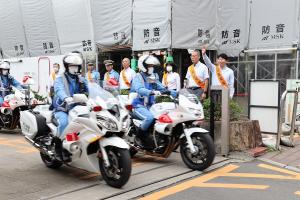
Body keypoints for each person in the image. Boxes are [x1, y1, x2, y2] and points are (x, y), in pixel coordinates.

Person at [131, 55, 177, 149]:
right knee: (149, 117)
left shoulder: (151, 77)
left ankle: (158, 140)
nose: (151, 67)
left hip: (150, 106)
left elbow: (161, 87)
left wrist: (176, 93)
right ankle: (139, 137)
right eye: (149, 65)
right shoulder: (138, 77)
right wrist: (151, 92)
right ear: (143, 66)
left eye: (152, 65)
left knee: (164, 116)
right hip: (139, 106)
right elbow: (139, 89)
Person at [52, 52, 88, 137]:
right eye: (71, 66)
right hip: (63, 108)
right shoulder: (60, 79)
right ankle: (59, 145)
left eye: (76, 66)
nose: (74, 68)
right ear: (67, 66)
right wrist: (66, 98)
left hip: (79, 108)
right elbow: (59, 89)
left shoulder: (81, 79)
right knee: (64, 123)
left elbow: (91, 88)